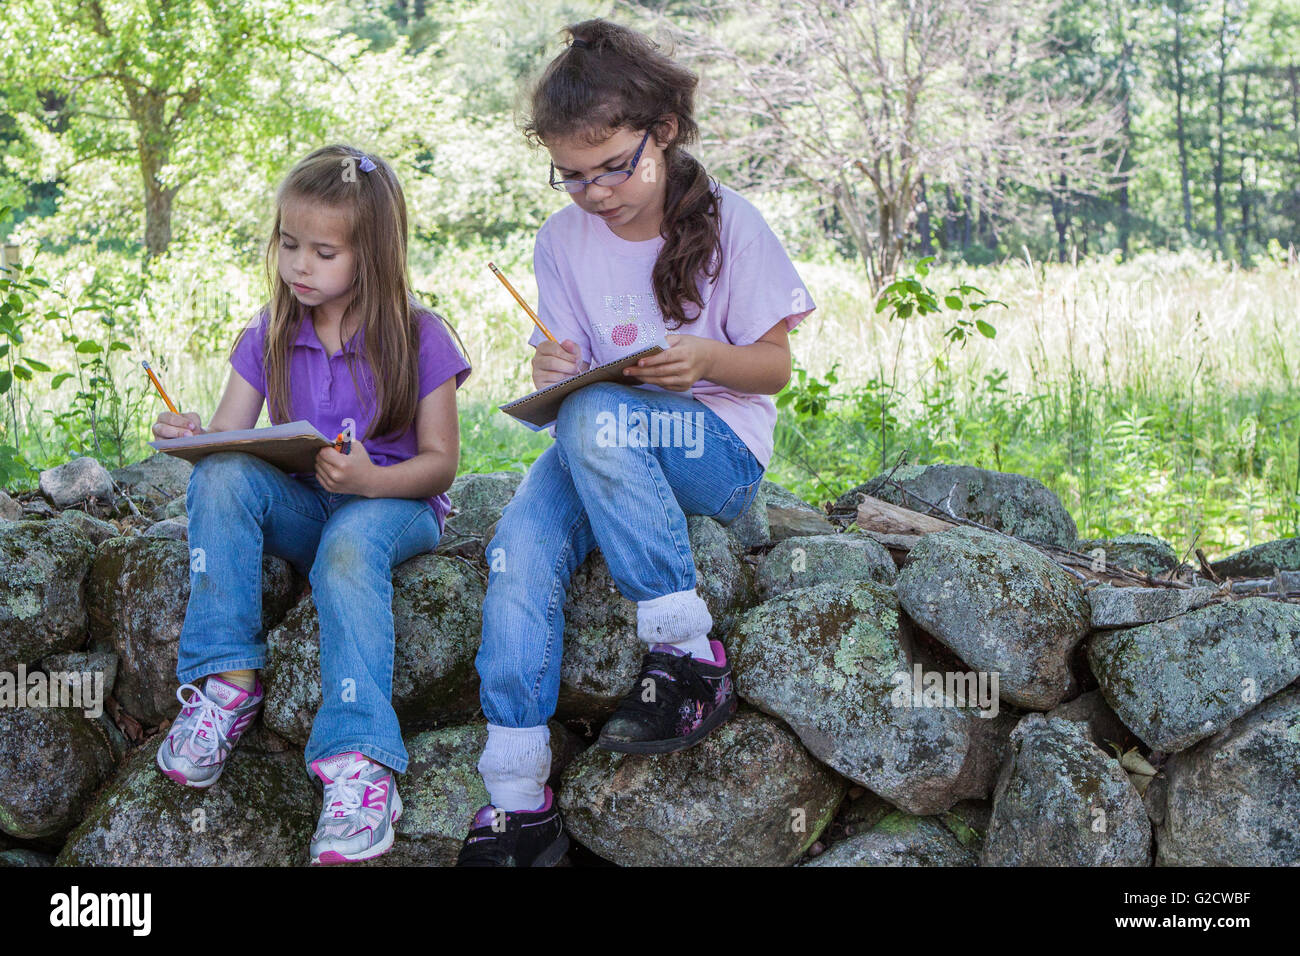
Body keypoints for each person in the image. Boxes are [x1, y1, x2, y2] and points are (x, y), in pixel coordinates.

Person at [456, 19, 815, 867]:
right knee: (517, 547)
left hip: (715, 454)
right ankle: (517, 800)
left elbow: (774, 369)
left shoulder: (730, 221)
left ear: (662, 132)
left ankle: (687, 654)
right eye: (572, 177)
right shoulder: (560, 241)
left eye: (614, 167)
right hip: (600, 442)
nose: (596, 193)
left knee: (594, 418)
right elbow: (576, 373)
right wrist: (556, 362)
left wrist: (705, 360)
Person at [153, 145, 472, 865]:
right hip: (307, 502)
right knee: (222, 475)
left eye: (323, 252)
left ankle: (359, 764)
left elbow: (440, 464)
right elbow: (228, 443)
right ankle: (228, 682)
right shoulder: (268, 334)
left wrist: (367, 481)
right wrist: (191, 436)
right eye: (289, 245)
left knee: (349, 549)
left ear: (374, 255)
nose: (300, 265)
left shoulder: (419, 335)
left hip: (392, 502)